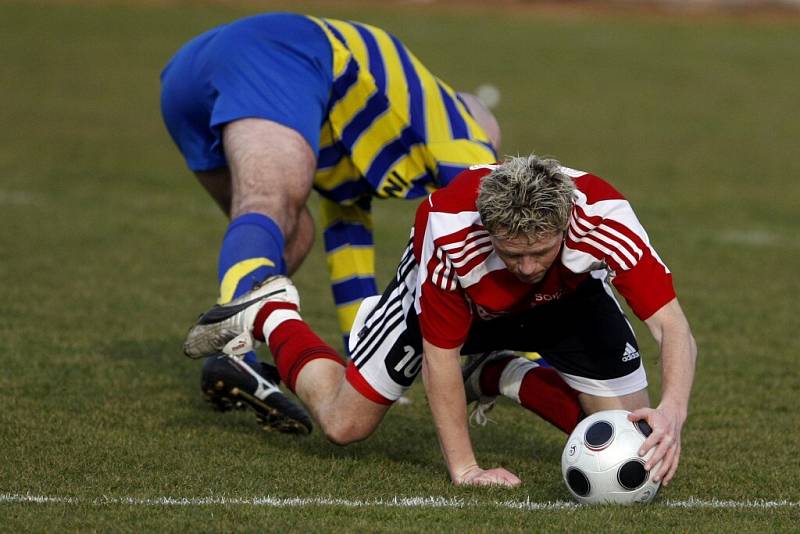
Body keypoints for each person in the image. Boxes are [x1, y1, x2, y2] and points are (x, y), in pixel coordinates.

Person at [183, 154, 697, 487]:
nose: (525, 267)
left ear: (565, 225)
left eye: (539, 251)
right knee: (344, 426)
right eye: (511, 253)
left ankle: (497, 371)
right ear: (487, 227)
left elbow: (672, 326)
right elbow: (439, 356)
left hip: (569, 302)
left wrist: (672, 412)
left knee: (634, 442)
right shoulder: (451, 232)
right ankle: (271, 310)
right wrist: (466, 469)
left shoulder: (604, 217)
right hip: (462, 310)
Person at [160, 13, 501, 432]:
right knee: (268, 202)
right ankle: (246, 344)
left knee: (292, 231)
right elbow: (502, 223)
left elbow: (348, 246)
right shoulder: (457, 126)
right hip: (282, 49)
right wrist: (535, 350)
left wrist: (362, 365)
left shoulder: (374, 144)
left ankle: (233, 358)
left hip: (185, 81)